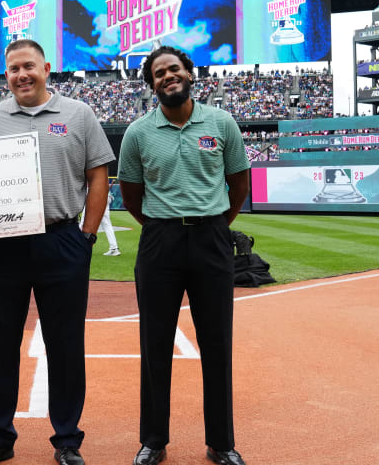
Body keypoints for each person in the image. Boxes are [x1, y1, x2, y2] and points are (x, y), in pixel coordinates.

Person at [0, 39, 115, 465]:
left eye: (28, 66)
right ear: (6, 75)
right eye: (13, 69)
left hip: (62, 239)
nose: (21, 75)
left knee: (65, 344)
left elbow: (98, 175)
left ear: (46, 68)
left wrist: (86, 237)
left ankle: (67, 440)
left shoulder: (78, 114)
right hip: (5, 246)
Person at [118, 46, 251, 465]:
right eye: (159, 73)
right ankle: (154, 441)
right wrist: (165, 224)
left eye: (174, 69)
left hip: (212, 238)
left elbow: (238, 182)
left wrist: (215, 224)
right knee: (154, 344)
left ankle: (221, 443)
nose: (168, 77)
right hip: (160, 242)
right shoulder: (138, 132)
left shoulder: (221, 122)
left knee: (217, 343)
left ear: (190, 73)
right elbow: (133, 196)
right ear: (152, 84)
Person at [80, 192, 120, 256]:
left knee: (83, 223)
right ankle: (114, 248)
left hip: (94, 193)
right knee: (107, 225)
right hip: (106, 195)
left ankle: (78, 247)